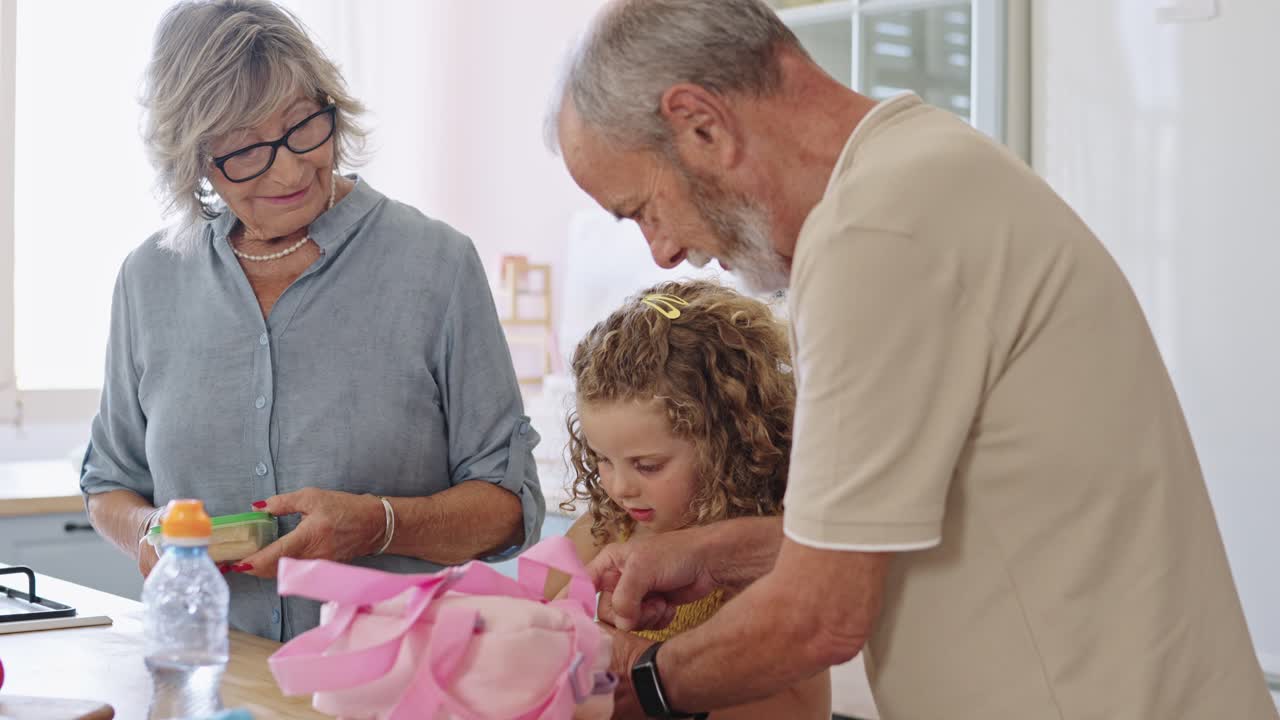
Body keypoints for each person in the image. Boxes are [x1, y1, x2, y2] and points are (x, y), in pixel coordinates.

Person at [547, 0, 1279, 718]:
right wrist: (713, 558)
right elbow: (893, 533)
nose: (664, 251)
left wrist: (636, 685)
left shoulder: (876, 233)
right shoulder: (916, 171)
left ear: (701, 124)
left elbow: (820, 614)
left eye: (643, 207)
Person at [80, 0, 544, 642]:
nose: (292, 168)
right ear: (197, 158)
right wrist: (150, 535)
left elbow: (510, 509)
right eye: (246, 150)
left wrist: (381, 524)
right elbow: (110, 483)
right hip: (209, 676)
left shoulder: (436, 265)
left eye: (305, 127)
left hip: (392, 685)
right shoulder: (149, 279)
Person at [547, 280, 829, 719]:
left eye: (648, 465)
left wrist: (639, 671)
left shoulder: (759, 565)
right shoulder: (601, 531)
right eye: (602, 459)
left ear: (729, 443)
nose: (620, 487)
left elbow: (786, 709)